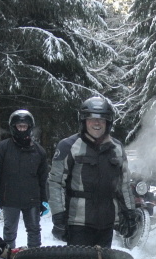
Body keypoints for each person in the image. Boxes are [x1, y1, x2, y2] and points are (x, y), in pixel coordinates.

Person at [47, 96, 137, 247]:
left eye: (102, 119)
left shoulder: (117, 148)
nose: (97, 123)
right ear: (83, 121)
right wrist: (59, 218)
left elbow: (124, 185)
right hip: (78, 223)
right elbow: (55, 183)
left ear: (108, 122)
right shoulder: (68, 146)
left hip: (106, 223)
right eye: (91, 119)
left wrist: (130, 214)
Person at [0, 109, 50, 249]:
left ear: (30, 128)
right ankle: (9, 253)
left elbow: (42, 178)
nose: (22, 129)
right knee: (10, 230)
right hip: (10, 197)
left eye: (25, 126)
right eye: (19, 126)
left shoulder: (39, 151)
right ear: (13, 127)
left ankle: (35, 254)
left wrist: (44, 199)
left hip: (32, 198)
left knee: (34, 229)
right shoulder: (1, 148)